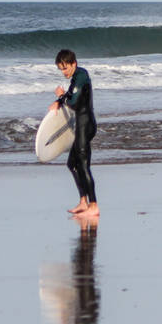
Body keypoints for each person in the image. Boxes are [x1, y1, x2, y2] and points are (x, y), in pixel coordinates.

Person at [49, 49, 99, 218]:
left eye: (65, 68)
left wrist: (61, 96)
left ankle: (93, 205)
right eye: (61, 69)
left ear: (73, 64)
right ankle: (83, 201)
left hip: (86, 126)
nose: (63, 72)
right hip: (81, 126)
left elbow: (72, 102)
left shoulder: (81, 77)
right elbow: (70, 96)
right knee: (72, 164)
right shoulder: (76, 78)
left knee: (83, 166)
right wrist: (58, 101)